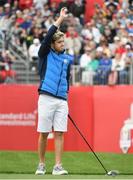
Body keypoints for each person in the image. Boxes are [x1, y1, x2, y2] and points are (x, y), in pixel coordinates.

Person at [35, 7, 73, 175]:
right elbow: (49, 34)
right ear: (52, 44)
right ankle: (41, 165)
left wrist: (65, 97)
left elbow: (67, 79)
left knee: (59, 134)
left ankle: (57, 166)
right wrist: (60, 19)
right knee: (44, 133)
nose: (62, 45)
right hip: (46, 98)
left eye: (63, 42)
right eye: (59, 42)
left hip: (61, 101)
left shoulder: (67, 59)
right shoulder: (45, 53)